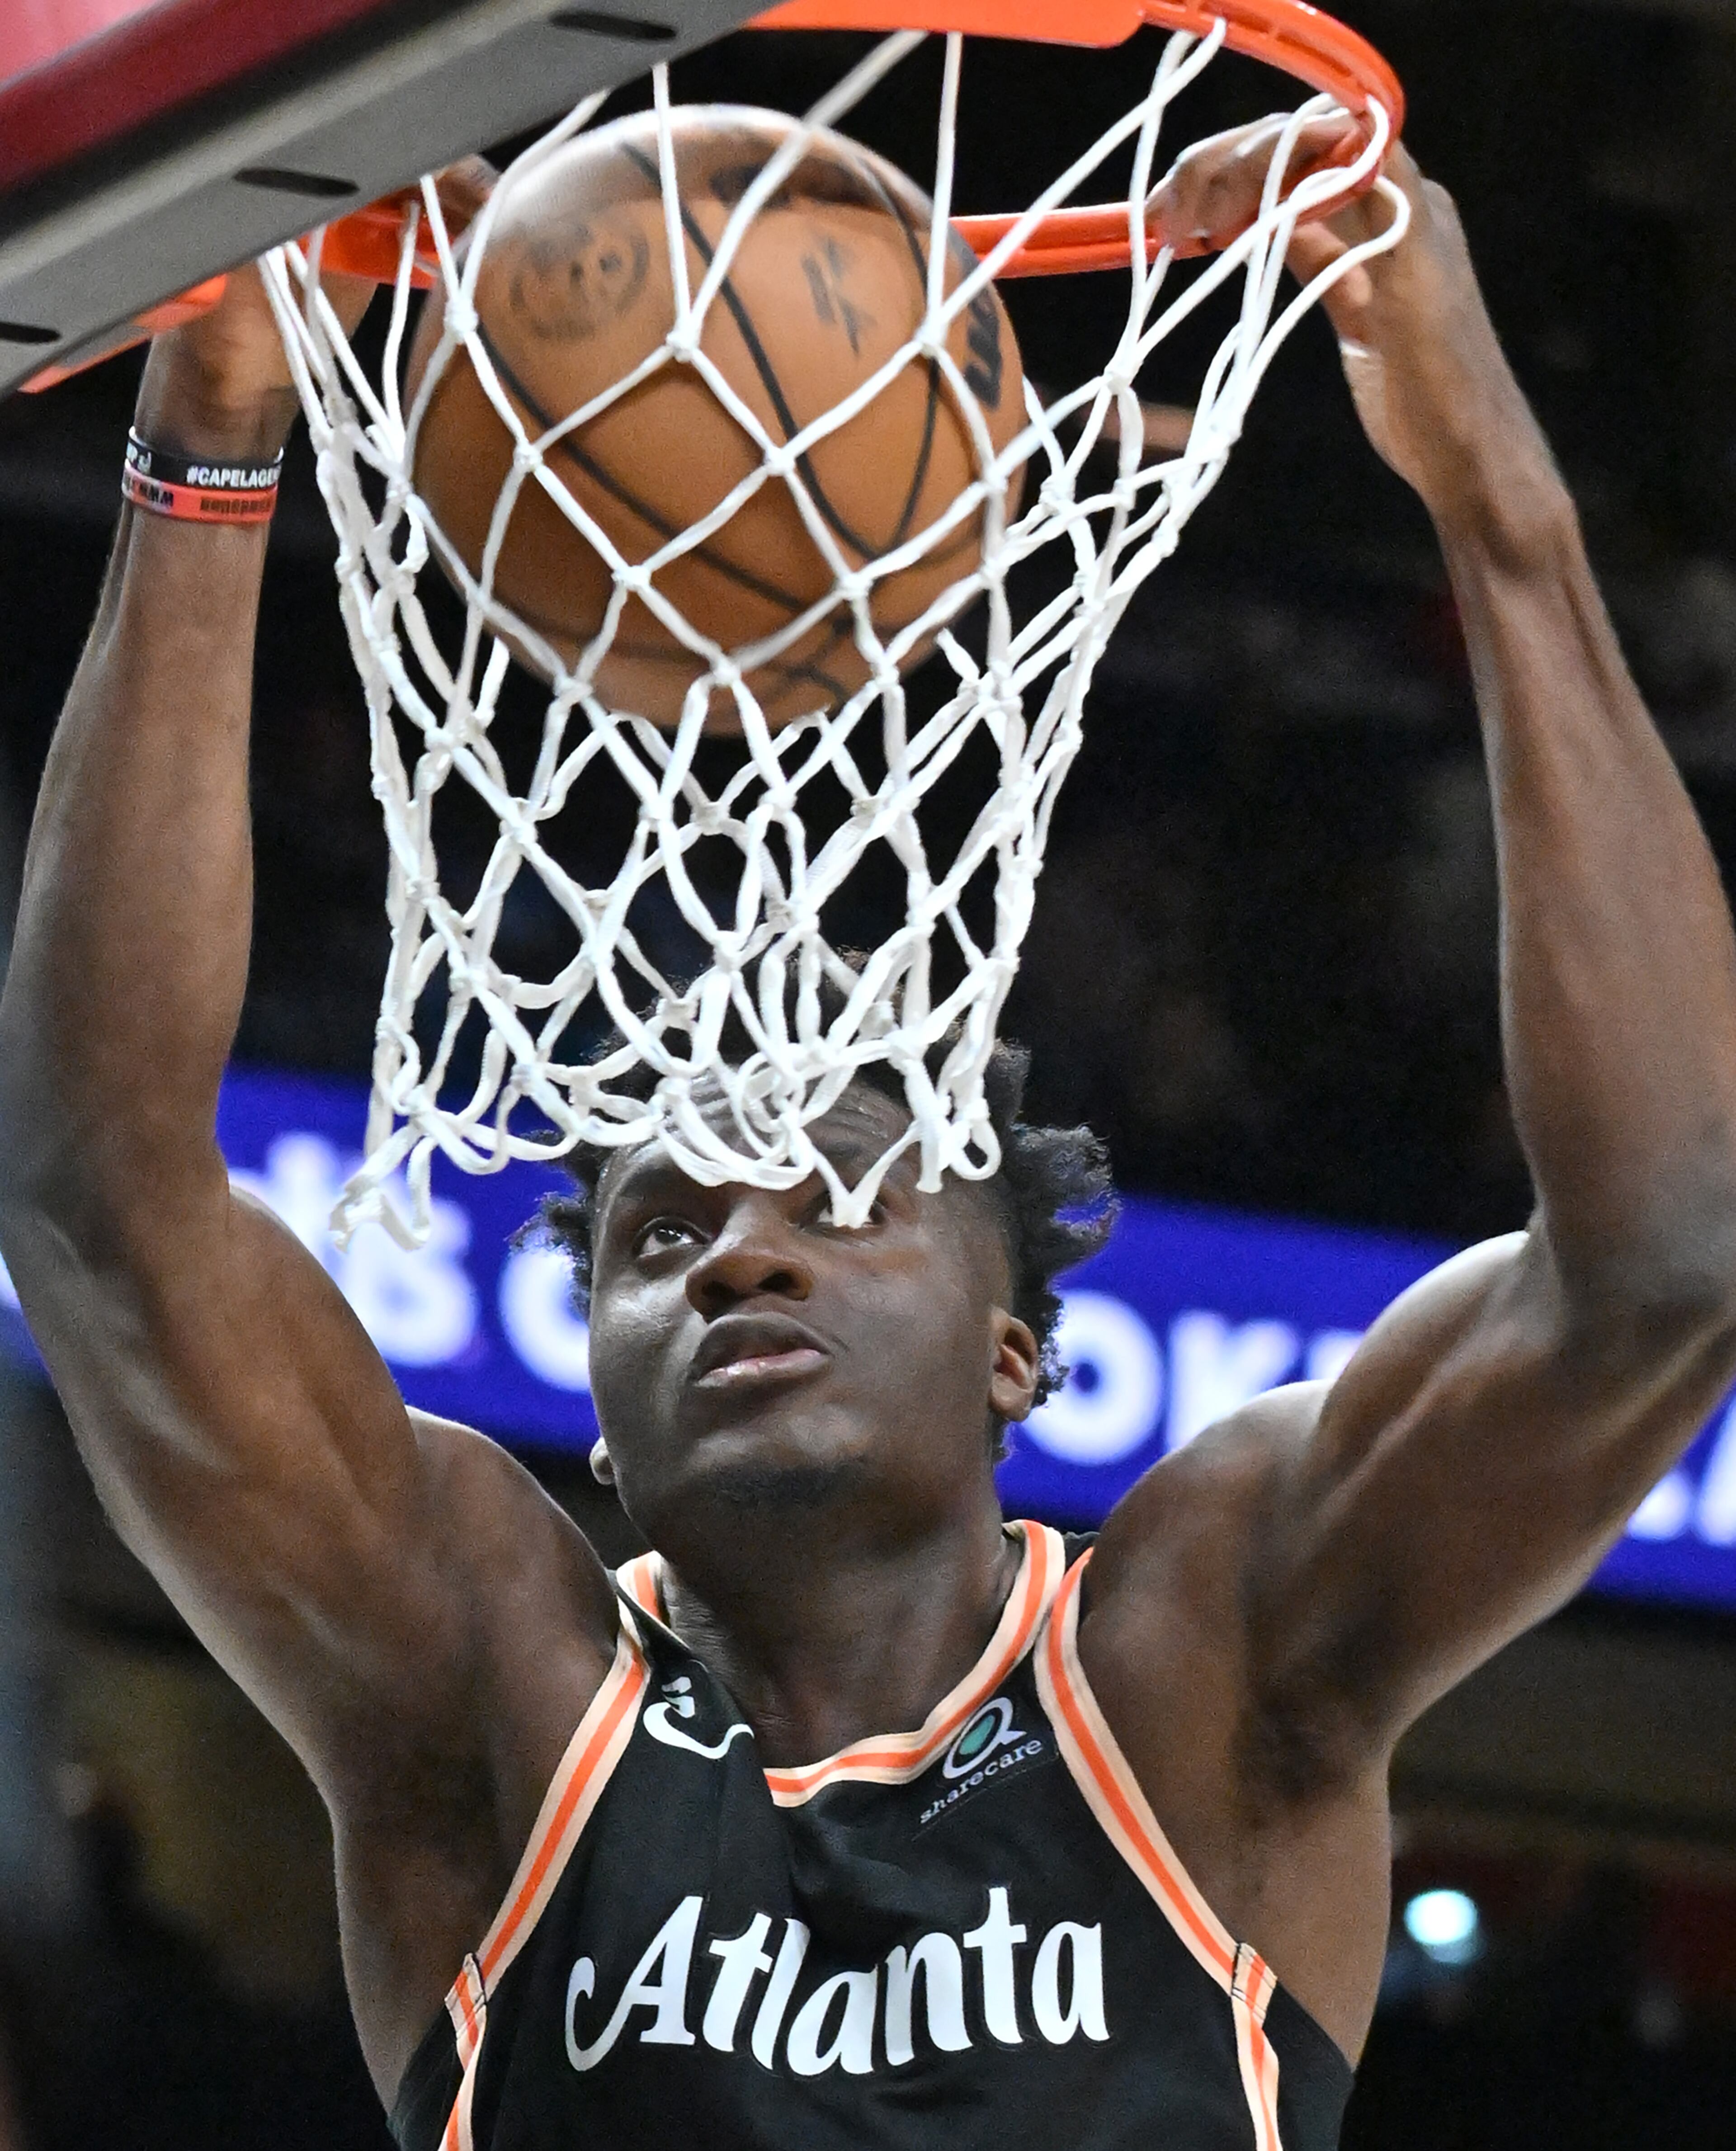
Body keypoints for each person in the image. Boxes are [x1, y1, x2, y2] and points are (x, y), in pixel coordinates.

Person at [4, 120, 1736, 2151]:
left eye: (839, 1198)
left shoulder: (1197, 1656)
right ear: (600, 1381)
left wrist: (1499, 505)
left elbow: (1664, 1263)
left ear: (1015, 1347)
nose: (739, 1251)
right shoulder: (489, 1673)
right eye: (656, 1237)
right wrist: (209, 440)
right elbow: (102, 1198)